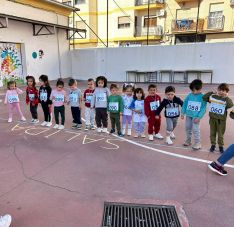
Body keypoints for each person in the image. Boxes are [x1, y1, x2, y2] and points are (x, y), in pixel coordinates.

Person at [203, 83, 233, 153]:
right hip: (212, 119)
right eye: (220, 90)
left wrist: (226, 97)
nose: (221, 92)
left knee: (220, 134)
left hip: (221, 120)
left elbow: (230, 105)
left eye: (223, 91)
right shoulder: (213, 97)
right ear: (217, 90)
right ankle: (213, 145)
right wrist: (212, 92)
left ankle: (221, 146)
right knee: (212, 133)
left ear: (226, 92)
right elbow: (204, 97)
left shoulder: (226, 99)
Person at [181, 79, 207, 150]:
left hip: (196, 117)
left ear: (199, 89)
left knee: (196, 129)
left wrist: (199, 117)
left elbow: (203, 108)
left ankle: (198, 143)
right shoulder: (189, 95)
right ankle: (188, 140)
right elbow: (185, 103)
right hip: (188, 115)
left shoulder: (203, 97)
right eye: (192, 90)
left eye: (194, 90)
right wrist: (182, 112)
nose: (193, 92)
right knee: (187, 128)